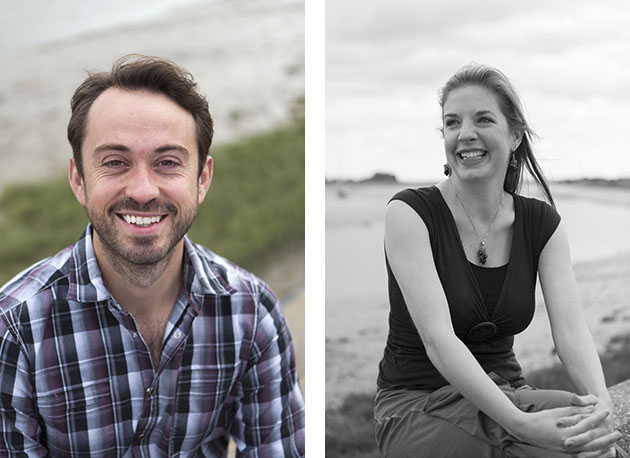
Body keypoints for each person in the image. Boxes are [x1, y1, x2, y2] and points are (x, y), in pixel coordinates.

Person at [0, 55, 305, 457]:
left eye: (167, 163)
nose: (143, 190)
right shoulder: (14, 329)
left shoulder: (252, 312)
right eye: (115, 162)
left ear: (202, 179)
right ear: (78, 179)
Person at [374, 63, 626, 458]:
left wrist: (602, 404)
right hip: (415, 405)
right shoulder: (409, 214)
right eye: (452, 122)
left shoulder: (541, 223)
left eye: (483, 119)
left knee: (588, 433)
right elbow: (439, 341)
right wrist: (520, 423)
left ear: (514, 135)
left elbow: (572, 333)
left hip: (507, 392)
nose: (465, 134)